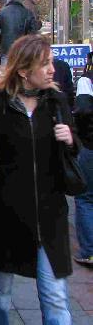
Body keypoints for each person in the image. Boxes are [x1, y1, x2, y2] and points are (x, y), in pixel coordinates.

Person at [0, 35, 77, 325]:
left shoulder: (56, 102)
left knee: (56, 297)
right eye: (44, 63)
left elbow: (73, 149)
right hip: (6, 214)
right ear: (23, 70)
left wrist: (70, 139)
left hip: (50, 216)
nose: (52, 69)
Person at [74, 52, 93, 265]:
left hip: (90, 146)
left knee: (86, 197)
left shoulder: (87, 80)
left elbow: (83, 110)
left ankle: (89, 250)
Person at [0, 0, 40, 65]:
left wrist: (0, 43)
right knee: (21, 72)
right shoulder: (27, 12)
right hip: (23, 49)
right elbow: (33, 32)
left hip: (6, 49)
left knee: (6, 73)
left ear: (8, 0)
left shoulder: (1, 12)